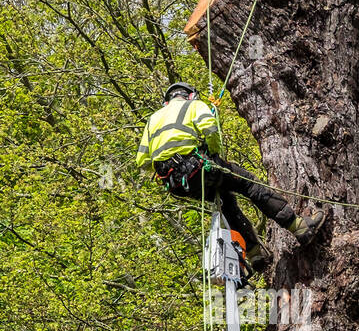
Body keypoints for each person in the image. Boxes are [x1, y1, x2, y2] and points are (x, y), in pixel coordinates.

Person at [136, 83, 326, 270]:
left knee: (226, 202)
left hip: (178, 185)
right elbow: (210, 129)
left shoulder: (152, 120)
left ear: (166, 102)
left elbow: (142, 162)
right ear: (191, 95)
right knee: (250, 185)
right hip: (199, 168)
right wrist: (213, 152)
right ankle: (298, 226)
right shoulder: (194, 105)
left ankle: (254, 254)